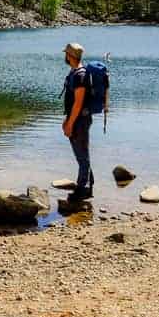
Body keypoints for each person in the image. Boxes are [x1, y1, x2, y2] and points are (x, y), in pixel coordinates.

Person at [62, 42, 94, 199]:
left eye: (66, 54)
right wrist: (66, 119)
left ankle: (83, 189)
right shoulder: (74, 72)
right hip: (76, 119)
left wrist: (70, 123)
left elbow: (78, 102)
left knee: (81, 155)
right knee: (82, 154)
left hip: (80, 120)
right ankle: (88, 185)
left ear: (70, 56)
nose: (65, 56)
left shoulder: (80, 75)